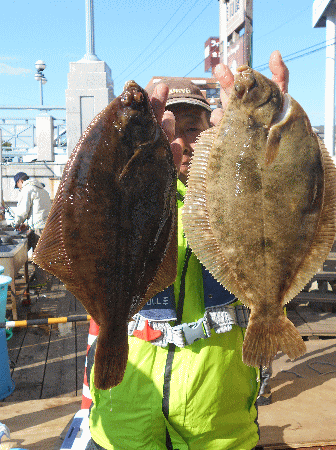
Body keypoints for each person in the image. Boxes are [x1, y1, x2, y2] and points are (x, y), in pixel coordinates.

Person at [85, 51, 289, 450]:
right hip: (122, 414)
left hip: (218, 422)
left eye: (193, 128)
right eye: (165, 129)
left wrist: (276, 147)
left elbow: (291, 221)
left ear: (215, 127)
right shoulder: (119, 196)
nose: (179, 141)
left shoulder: (242, 194)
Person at [13, 171, 52, 286]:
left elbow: (22, 210)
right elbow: (37, 209)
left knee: (38, 255)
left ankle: (41, 281)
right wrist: (28, 223)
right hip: (45, 226)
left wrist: (15, 224)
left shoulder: (27, 189)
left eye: (17, 185)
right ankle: (42, 277)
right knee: (41, 254)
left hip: (39, 228)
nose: (18, 188)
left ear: (20, 181)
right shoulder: (42, 190)